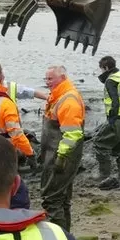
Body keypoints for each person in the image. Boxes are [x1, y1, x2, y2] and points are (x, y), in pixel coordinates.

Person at [39, 65, 85, 231]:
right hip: (55, 155)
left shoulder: (68, 100)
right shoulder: (58, 97)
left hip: (61, 158)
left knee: (52, 200)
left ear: (63, 78)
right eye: (46, 79)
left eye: (50, 79)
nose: (47, 82)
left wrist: (61, 157)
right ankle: (66, 238)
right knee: (62, 199)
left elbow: (72, 134)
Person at [94, 56, 120, 190]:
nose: (100, 72)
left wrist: (111, 119)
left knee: (99, 143)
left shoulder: (110, 81)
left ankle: (105, 176)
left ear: (105, 68)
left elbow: (115, 101)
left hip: (117, 120)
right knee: (119, 147)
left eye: (101, 69)